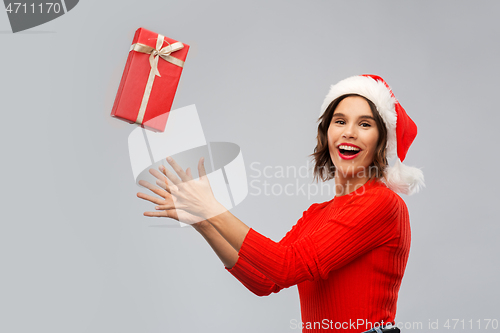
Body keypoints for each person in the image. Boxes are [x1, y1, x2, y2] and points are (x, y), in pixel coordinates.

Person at [137, 74, 424, 333]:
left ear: (382, 142)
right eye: (340, 121)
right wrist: (204, 222)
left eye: (365, 124)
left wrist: (213, 209)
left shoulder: (382, 203)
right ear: (326, 133)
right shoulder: (317, 215)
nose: (349, 131)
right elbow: (267, 280)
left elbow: (287, 266)